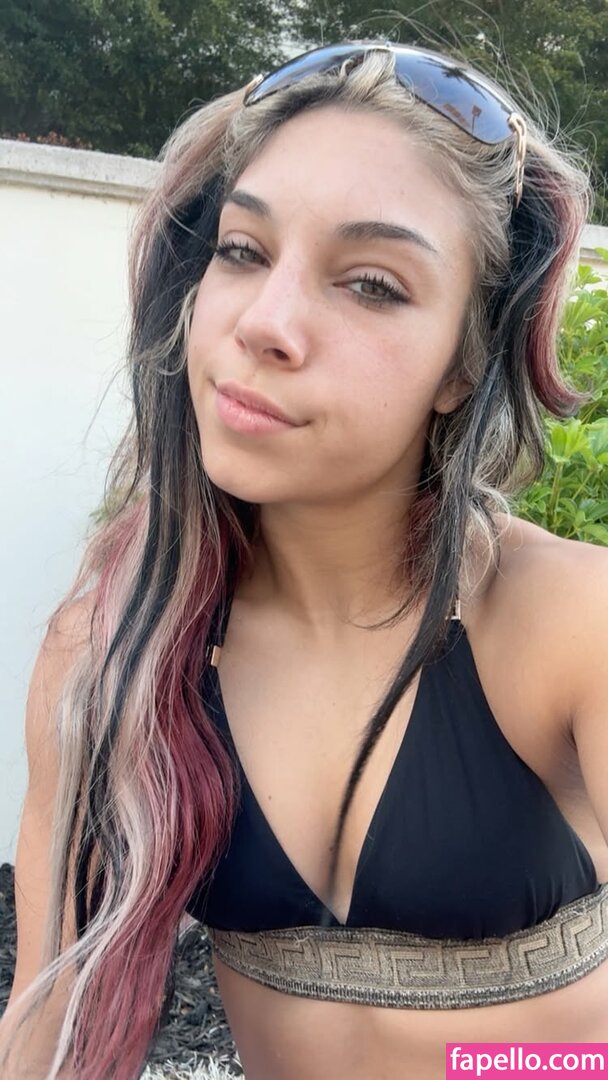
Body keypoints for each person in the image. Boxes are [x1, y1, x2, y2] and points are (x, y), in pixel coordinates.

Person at [1, 38, 607, 1080]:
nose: (265, 323)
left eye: (370, 284)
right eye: (242, 251)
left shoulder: (565, 624)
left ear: (463, 364)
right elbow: (47, 1024)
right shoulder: (114, 648)